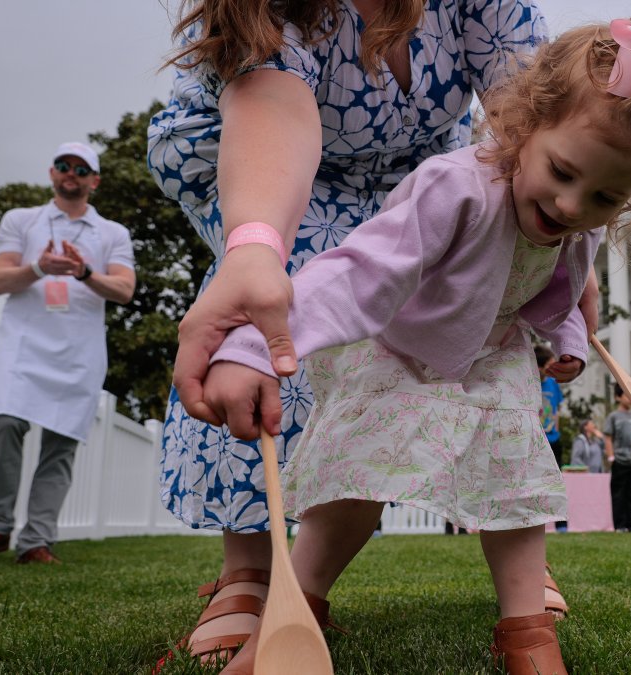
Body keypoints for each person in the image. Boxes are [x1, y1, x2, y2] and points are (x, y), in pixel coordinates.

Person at [189, 12, 631, 673]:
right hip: (402, 350)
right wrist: (255, 345)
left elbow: (567, 282)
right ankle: (296, 612)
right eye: (564, 173)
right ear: (522, 125)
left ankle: (526, 631)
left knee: (517, 484)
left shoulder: (583, 218)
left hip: (495, 354)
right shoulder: (455, 189)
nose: (574, 206)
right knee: (356, 481)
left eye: (605, 195)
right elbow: (353, 275)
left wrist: (569, 333)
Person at [148, 0, 558, 664]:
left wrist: (566, 246)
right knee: (287, 308)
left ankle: (513, 547)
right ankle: (253, 565)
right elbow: (273, 111)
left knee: (465, 323)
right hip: (272, 161)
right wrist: (254, 246)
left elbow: (534, 118)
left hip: (419, 172)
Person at [0, 142, 136, 565]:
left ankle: (37, 540)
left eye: (80, 168)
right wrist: (39, 268)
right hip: (22, 345)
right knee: (4, 423)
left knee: (61, 445)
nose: (70, 172)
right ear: (52, 172)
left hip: (79, 350)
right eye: (63, 165)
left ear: (95, 180)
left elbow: (125, 290)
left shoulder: (112, 233)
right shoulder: (22, 220)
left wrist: (83, 272)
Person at [605, 383, 631, 533]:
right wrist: (611, 457)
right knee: (618, 494)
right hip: (620, 461)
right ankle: (620, 525)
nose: (630, 399)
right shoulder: (613, 417)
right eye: (626, 395)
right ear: (617, 397)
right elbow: (608, 437)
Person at [536, 344, 566, 531]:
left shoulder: (553, 384)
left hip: (554, 440)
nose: (554, 369)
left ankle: (561, 524)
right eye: (550, 365)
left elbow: (557, 411)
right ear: (539, 367)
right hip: (537, 441)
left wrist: (557, 430)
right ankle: (537, 523)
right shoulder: (529, 382)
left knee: (557, 483)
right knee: (536, 484)